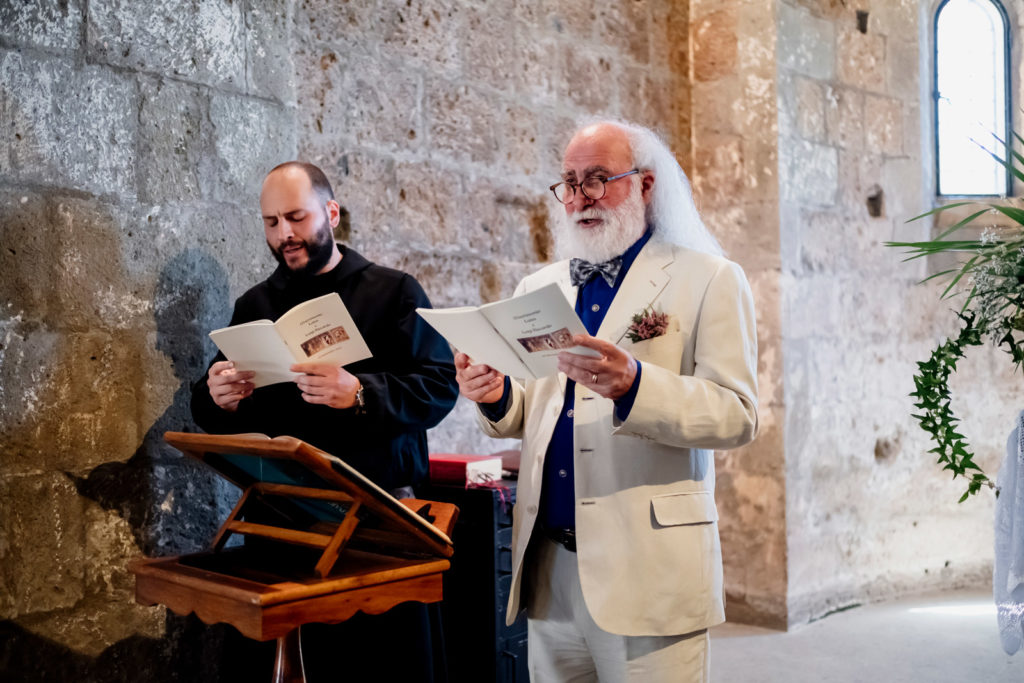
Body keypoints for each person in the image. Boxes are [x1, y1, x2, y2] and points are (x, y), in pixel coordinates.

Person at [455, 121, 759, 683]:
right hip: (550, 568)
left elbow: (738, 413)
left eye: (598, 180)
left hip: (648, 569)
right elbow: (532, 410)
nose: (579, 198)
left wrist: (636, 385)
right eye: (569, 183)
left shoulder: (709, 279)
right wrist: (495, 394)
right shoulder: (539, 288)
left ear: (645, 185)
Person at [190, 161, 459, 681]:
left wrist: (360, 392)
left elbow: (440, 387)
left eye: (296, 217)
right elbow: (218, 413)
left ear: (330, 212)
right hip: (284, 523)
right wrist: (215, 398)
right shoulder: (255, 304)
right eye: (271, 222)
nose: (284, 234)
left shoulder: (393, 292)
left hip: (377, 522)